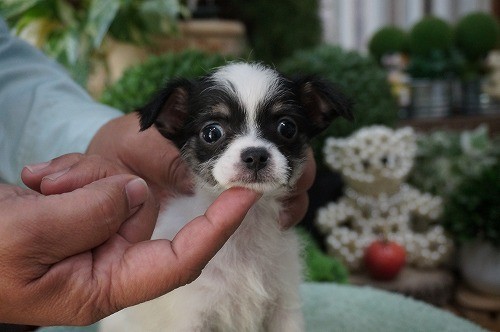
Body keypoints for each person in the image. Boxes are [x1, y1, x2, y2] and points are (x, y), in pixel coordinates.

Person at [0, 18, 315, 326]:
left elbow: (285, 316)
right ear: (173, 121)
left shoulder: (281, 247)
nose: (255, 150)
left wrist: (96, 135)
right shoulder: (173, 237)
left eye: (284, 128)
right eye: (213, 133)